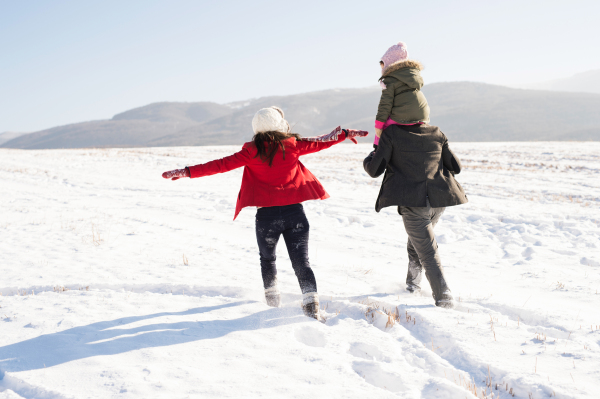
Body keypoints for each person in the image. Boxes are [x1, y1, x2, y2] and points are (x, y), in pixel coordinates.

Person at [162, 106, 368, 320]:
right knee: (302, 263)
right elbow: (321, 141)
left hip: (267, 218)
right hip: (295, 215)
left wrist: (187, 171)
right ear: (280, 125)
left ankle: (272, 305)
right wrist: (344, 134)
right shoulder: (293, 145)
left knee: (268, 260)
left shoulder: (251, 151)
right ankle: (311, 304)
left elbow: (220, 165)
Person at [363, 123, 467, 308]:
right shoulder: (435, 132)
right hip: (439, 200)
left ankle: (443, 296)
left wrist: (372, 155)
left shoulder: (392, 133)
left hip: (414, 203)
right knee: (417, 242)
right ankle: (412, 286)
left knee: (427, 250)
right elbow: (455, 167)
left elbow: (374, 170)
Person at [373, 41, 430, 148]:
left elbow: (385, 104)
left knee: (383, 127)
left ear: (390, 64)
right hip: (422, 114)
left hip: (403, 115)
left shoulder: (390, 80)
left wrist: (378, 125)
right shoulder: (412, 77)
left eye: (383, 65)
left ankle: (377, 151)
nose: (382, 70)